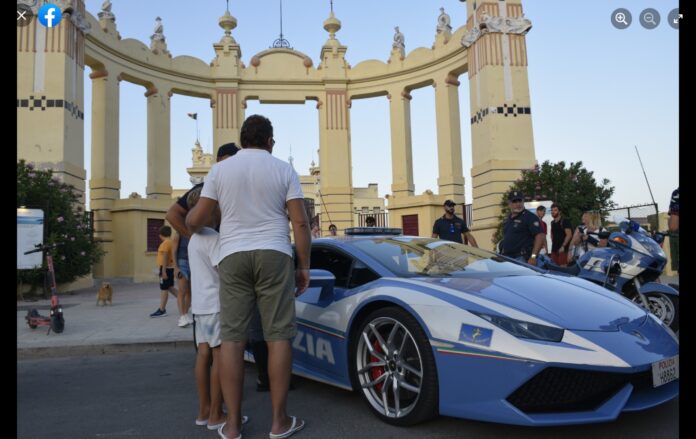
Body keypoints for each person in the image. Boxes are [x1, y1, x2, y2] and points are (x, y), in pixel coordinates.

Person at [187, 114, 311, 439]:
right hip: (274, 253)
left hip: (232, 255)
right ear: (270, 141)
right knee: (278, 336)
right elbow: (300, 223)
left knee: (232, 340)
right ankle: (279, 421)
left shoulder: (219, 170)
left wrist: (190, 222)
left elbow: (197, 218)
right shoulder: (284, 169)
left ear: (242, 140)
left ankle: (231, 425)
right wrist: (303, 266)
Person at [166, 144, 271, 391]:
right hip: (222, 270)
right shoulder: (205, 188)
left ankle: (260, 377)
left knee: (229, 336)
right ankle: (220, 399)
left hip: (231, 265)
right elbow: (172, 214)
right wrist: (196, 238)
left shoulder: (246, 186)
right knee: (220, 345)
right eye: (227, 162)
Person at [185, 186, 231, 431]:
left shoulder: (194, 238)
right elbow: (224, 272)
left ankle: (203, 410)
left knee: (203, 355)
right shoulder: (213, 238)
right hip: (216, 304)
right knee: (220, 357)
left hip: (200, 306)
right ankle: (216, 413)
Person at [500, 191, 545, 265]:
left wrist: (533, 257)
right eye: (514, 201)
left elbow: (540, 236)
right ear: (509, 203)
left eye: (520, 201)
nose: (518, 204)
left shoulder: (530, 217)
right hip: (508, 259)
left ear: (523, 201)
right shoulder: (508, 219)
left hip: (521, 259)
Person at [150, 225, 177, 317]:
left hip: (165, 268)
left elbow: (165, 256)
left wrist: (163, 271)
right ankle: (185, 302)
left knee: (164, 289)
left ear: (161, 235)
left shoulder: (165, 243)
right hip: (170, 268)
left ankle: (162, 310)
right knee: (170, 287)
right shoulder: (171, 242)